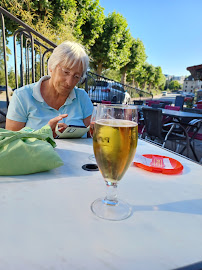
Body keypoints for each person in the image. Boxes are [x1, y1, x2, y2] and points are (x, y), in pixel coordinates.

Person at [6, 40, 93, 137]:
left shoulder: (81, 97)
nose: (69, 82)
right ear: (51, 67)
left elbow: (92, 135)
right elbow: (10, 142)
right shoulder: (22, 96)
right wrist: (43, 134)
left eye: (76, 76)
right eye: (66, 72)